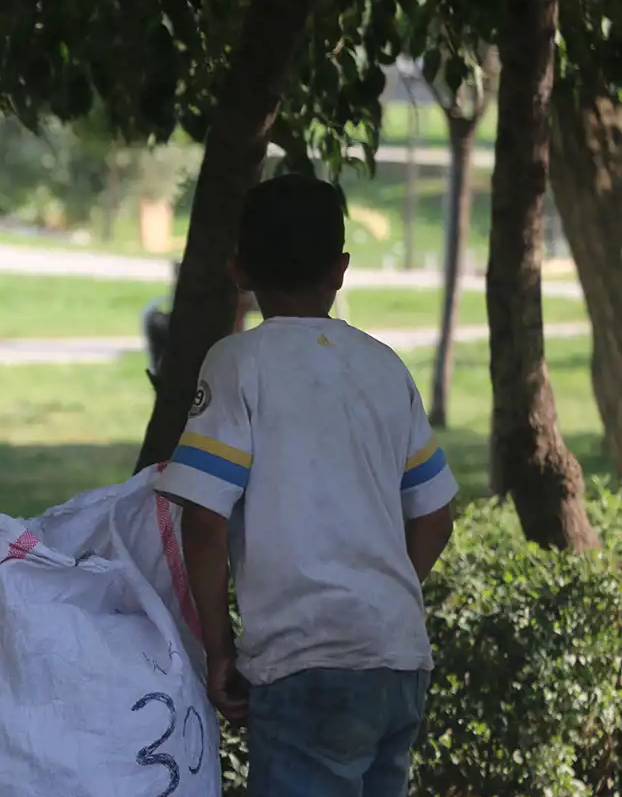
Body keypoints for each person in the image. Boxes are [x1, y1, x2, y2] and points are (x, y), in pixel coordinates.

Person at [154, 173, 457, 797]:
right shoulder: (383, 365)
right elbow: (434, 515)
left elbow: (205, 520)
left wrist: (218, 651)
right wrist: (376, 595)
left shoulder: (239, 363)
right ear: (340, 269)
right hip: (398, 658)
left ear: (239, 269)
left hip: (304, 664)